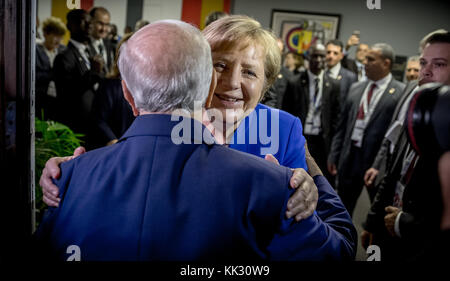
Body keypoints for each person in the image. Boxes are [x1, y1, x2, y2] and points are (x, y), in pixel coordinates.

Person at [33, 20, 356, 261]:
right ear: (198, 72)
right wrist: (69, 173)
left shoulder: (282, 129)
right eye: (220, 65)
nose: (231, 83)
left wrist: (310, 181)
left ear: (266, 82)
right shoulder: (167, 123)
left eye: (249, 72)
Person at [361, 32, 450, 261]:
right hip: (389, 229)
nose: (425, 71)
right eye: (423, 63)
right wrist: (372, 221)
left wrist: (404, 222)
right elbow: (394, 172)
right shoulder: (417, 104)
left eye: (439, 64)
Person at [328, 43, 405, 216]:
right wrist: (334, 154)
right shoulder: (356, 88)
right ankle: (343, 241)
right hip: (350, 157)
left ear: (386, 63)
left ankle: (374, 243)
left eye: (371, 59)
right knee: (342, 210)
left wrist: (382, 164)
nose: (365, 63)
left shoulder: (399, 92)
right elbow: (342, 125)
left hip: (377, 163)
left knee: (378, 213)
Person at [282, 44, 341, 184]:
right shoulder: (294, 82)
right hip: (301, 136)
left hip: (322, 141)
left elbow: (336, 117)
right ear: (308, 57)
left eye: (322, 56)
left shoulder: (333, 85)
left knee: (319, 180)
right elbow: (286, 111)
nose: (319, 59)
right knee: (296, 177)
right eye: (315, 56)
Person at [53, 9, 104, 137]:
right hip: (77, 126)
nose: (89, 25)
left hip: (98, 121)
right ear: (70, 26)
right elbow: (67, 93)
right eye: (83, 21)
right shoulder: (64, 57)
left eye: (90, 22)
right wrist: (93, 72)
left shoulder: (93, 51)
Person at [87, 33, 135, 148]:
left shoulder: (149, 87)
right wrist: (113, 141)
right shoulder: (110, 85)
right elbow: (98, 119)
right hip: (113, 148)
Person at [35, 17, 67, 120]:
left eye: (60, 36)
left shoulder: (63, 50)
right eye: (55, 35)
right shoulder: (36, 50)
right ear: (45, 33)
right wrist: (54, 74)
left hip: (59, 100)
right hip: (41, 99)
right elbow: (34, 75)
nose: (58, 40)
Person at [88, 7, 115, 74]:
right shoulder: (83, 45)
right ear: (90, 22)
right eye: (100, 24)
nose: (103, 29)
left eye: (106, 24)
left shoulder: (109, 44)